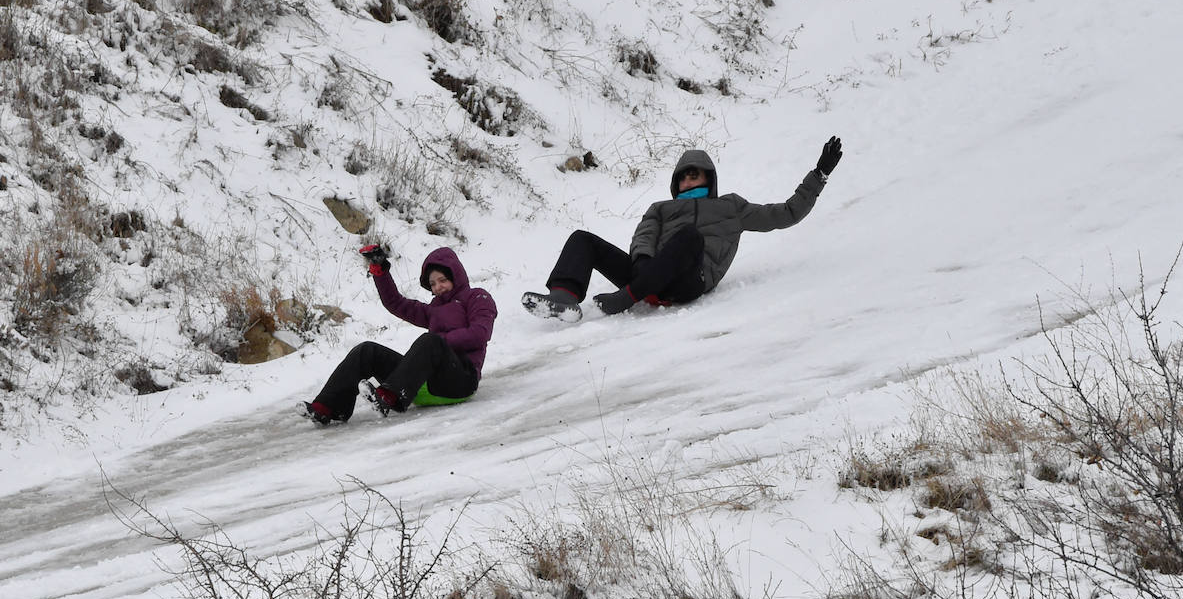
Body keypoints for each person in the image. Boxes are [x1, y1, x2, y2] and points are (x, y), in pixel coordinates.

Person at [522, 136, 843, 321]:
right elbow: (644, 236)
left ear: (708, 178)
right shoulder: (662, 208)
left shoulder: (730, 207)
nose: (690, 179)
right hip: (650, 275)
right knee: (583, 240)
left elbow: (786, 213)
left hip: (690, 281)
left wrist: (820, 174)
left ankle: (627, 298)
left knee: (689, 238)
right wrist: (643, 263)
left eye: (696, 174)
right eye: (685, 175)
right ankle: (563, 298)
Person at [301, 245, 497, 424]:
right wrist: (380, 270)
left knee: (430, 341)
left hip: (460, 381)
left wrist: (441, 343)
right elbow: (396, 303)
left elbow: (479, 334)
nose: (438, 287)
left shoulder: (477, 297)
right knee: (366, 351)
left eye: (443, 280)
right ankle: (328, 407)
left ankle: (389, 396)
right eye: (433, 283)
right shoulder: (433, 309)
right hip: (427, 381)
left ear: (456, 276)